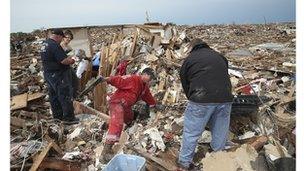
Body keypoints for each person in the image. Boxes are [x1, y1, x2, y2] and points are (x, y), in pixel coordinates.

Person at [177, 38, 233, 170]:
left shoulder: (190, 60)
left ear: (192, 48)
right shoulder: (220, 56)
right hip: (225, 98)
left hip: (201, 98)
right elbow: (224, 73)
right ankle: (217, 160)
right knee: (220, 131)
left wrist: (192, 97)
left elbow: (185, 81)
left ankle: (184, 163)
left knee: (191, 133)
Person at [100, 68, 157, 162]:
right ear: (144, 74)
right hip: (117, 103)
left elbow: (148, 96)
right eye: (150, 78)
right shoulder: (133, 79)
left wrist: (154, 104)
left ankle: (117, 129)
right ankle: (106, 151)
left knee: (129, 118)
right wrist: (106, 79)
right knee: (118, 123)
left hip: (126, 106)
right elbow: (119, 80)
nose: (151, 81)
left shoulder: (144, 87)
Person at [40, 29, 79, 125]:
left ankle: (57, 117)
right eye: (62, 38)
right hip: (58, 74)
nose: (61, 41)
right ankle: (69, 119)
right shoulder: (54, 45)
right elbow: (63, 61)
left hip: (49, 74)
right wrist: (73, 60)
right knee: (65, 95)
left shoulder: (45, 44)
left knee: (54, 97)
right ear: (58, 36)